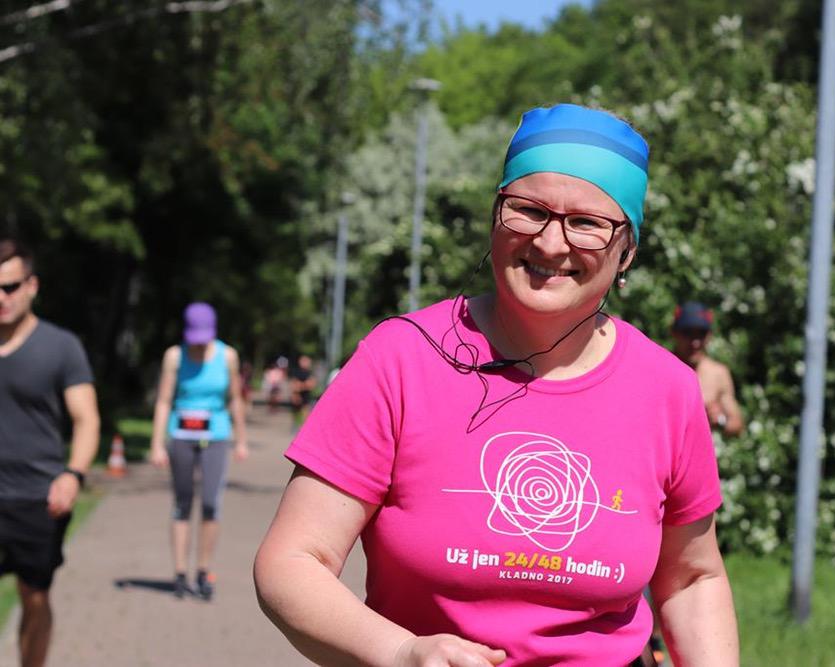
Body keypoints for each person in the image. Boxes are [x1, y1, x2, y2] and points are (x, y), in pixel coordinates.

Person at [255, 104, 739, 665]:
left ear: (627, 251)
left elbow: (693, 579)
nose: (551, 243)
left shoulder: (668, 389)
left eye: (587, 223)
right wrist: (402, 652)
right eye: (529, 210)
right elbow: (293, 561)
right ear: (495, 216)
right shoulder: (401, 359)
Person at [0, 238, 100, 667]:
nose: (1, 298)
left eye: (10, 287)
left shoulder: (61, 346)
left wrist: (73, 474)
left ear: (32, 286)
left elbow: (87, 419)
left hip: (37, 497)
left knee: (34, 596)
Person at [149, 302, 248, 601]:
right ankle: (180, 573)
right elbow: (164, 400)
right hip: (181, 435)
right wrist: (156, 443)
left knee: (209, 503)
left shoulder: (227, 356)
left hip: (216, 436)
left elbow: (235, 398)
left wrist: (241, 439)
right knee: (182, 503)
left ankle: (203, 571)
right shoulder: (174, 356)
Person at [671, 301, 744, 437]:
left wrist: (720, 420)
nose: (695, 342)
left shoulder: (718, 373)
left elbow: (737, 424)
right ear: (674, 333)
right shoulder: (661, 369)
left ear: (709, 335)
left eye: (701, 334)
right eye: (687, 333)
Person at [288, 354, 317, 426]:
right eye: (304, 361)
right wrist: (305, 385)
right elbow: (293, 385)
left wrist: (300, 386)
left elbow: (312, 385)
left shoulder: (310, 373)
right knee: (296, 416)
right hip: (296, 396)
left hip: (306, 397)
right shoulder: (296, 372)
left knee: (306, 416)